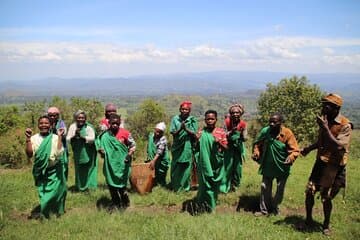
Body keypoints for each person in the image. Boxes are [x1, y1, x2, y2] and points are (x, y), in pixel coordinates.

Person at [301, 93, 352, 236]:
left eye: (327, 105)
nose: (323, 108)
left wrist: (325, 128)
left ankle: (326, 225)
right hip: (321, 162)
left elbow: (338, 146)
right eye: (323, 104)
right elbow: (322, 142)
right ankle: (308, 220)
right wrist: (308, 149)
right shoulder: (326, 121)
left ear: (336, 108)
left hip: (335, 166)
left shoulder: (345, 125)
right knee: (310, 191)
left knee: (326, 196)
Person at [252, 113, 299, 216]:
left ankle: (275, 208)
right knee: (264, 187)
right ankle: (264, 210)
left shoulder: (287, 133)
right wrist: (256, 152)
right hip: (268, 165)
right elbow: (257, 143)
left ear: (281, 123)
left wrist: (291, 157)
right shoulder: (266, 131)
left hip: (282, 166)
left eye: (275, 122)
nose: (272, 124)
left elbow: (295, 150)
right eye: (270, 122)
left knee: (280, 189)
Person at [25, 115, 67, 219]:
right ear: (38, 125)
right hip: (40, 170)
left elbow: (59, 152)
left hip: (54, 169)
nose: (44, 125)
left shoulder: (55, 137)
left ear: (51, 125)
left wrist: (60, 137)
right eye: (41, 123)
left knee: (55, 192)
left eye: (46, 123)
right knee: (43, 193)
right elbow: (30, 154)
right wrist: (28, 139)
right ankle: (48, 212)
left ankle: (47, 214)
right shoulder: (34, 138)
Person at [97, 114, 136, 210]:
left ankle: (125, 203)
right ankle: (116, 203)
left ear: (120, 123)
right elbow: (99, 146)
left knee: (122, 186)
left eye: (117, 123)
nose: (115, 125)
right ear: (109, 123)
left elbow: (133, 145)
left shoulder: (125, 133)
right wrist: (101, 151)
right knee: (112, 186)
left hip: (123, 164)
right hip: (110, 166)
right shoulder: (105, 136)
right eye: (113, 123)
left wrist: (129, 154)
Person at [194, 110, 228, 213]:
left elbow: (226, 148)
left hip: (216, 164)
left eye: (212, 119)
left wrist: (219, 143)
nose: (210, 121)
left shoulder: (221, 132)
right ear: (205, 120)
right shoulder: (201, 132)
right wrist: (196, 140)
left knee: (214, 186)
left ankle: (211, 205)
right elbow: (195, 148)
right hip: (204, 163)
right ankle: (201, 206)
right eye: (208, 119)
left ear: (216, 120)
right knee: (204, 185)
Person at [170, 101, 198, 192]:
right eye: (182, 109)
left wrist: (186, 129)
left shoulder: (192, 120)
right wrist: (180, 129)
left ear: (189, 111)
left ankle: (185, 187)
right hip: (177, 146)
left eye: (186, 109)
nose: (184, 111)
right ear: (179, 110)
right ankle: (176, 186)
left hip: (187, 145)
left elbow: (195, 134)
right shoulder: (175, 119)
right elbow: (173, 133)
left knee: (186, 166)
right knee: (176, 165)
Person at [66, 110, 98, 192]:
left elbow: (93, 138)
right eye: (79, 117)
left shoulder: (89, 127)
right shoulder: (73, 126)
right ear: (75, 118)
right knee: (79, 168)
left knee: (89, 168)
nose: (81, 119)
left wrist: (83, 137)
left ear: (85, 119)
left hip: (88, 151)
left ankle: (89, 187)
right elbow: (68, 139)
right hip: (78, 151)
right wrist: (74, 136)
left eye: (82, 118)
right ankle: (80, 186)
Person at [220, 104, 248, 193]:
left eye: (237, 112)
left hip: (238, 148)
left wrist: (242, 135)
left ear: (240, 114)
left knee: (237, 168)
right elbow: (222, 134)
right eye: (233, 113)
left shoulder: (243, 124)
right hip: (228, 147)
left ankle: (235, 185)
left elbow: (245, 137)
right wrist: (231, 132)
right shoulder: (226, 122)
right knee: (227, 167)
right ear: (230, 114)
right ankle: (225, 186)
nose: (235, 114)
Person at [146, 122, 170, 187]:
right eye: (157, 131)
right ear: (155, 129)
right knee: (152, 173)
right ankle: (153, 184)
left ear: (163, 133)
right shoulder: (151, 136)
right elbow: (149, 147)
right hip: (153, 158)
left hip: (161, 159)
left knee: (161, 173)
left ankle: (161, 185)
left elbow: (159, 151)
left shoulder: (163, 139)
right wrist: (148, 157)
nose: (158, 133)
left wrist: (153, 161)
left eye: (160, 132)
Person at [47, 106, 69, 180]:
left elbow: (64, 133)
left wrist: (56, 131)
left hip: (61, 149)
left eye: (54, 115)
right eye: (50, 115)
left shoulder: (61, 123)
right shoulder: (46, 123)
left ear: (58, 116)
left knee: (63, 166)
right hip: (50, 149)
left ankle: (63, 183)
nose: (52, 117)